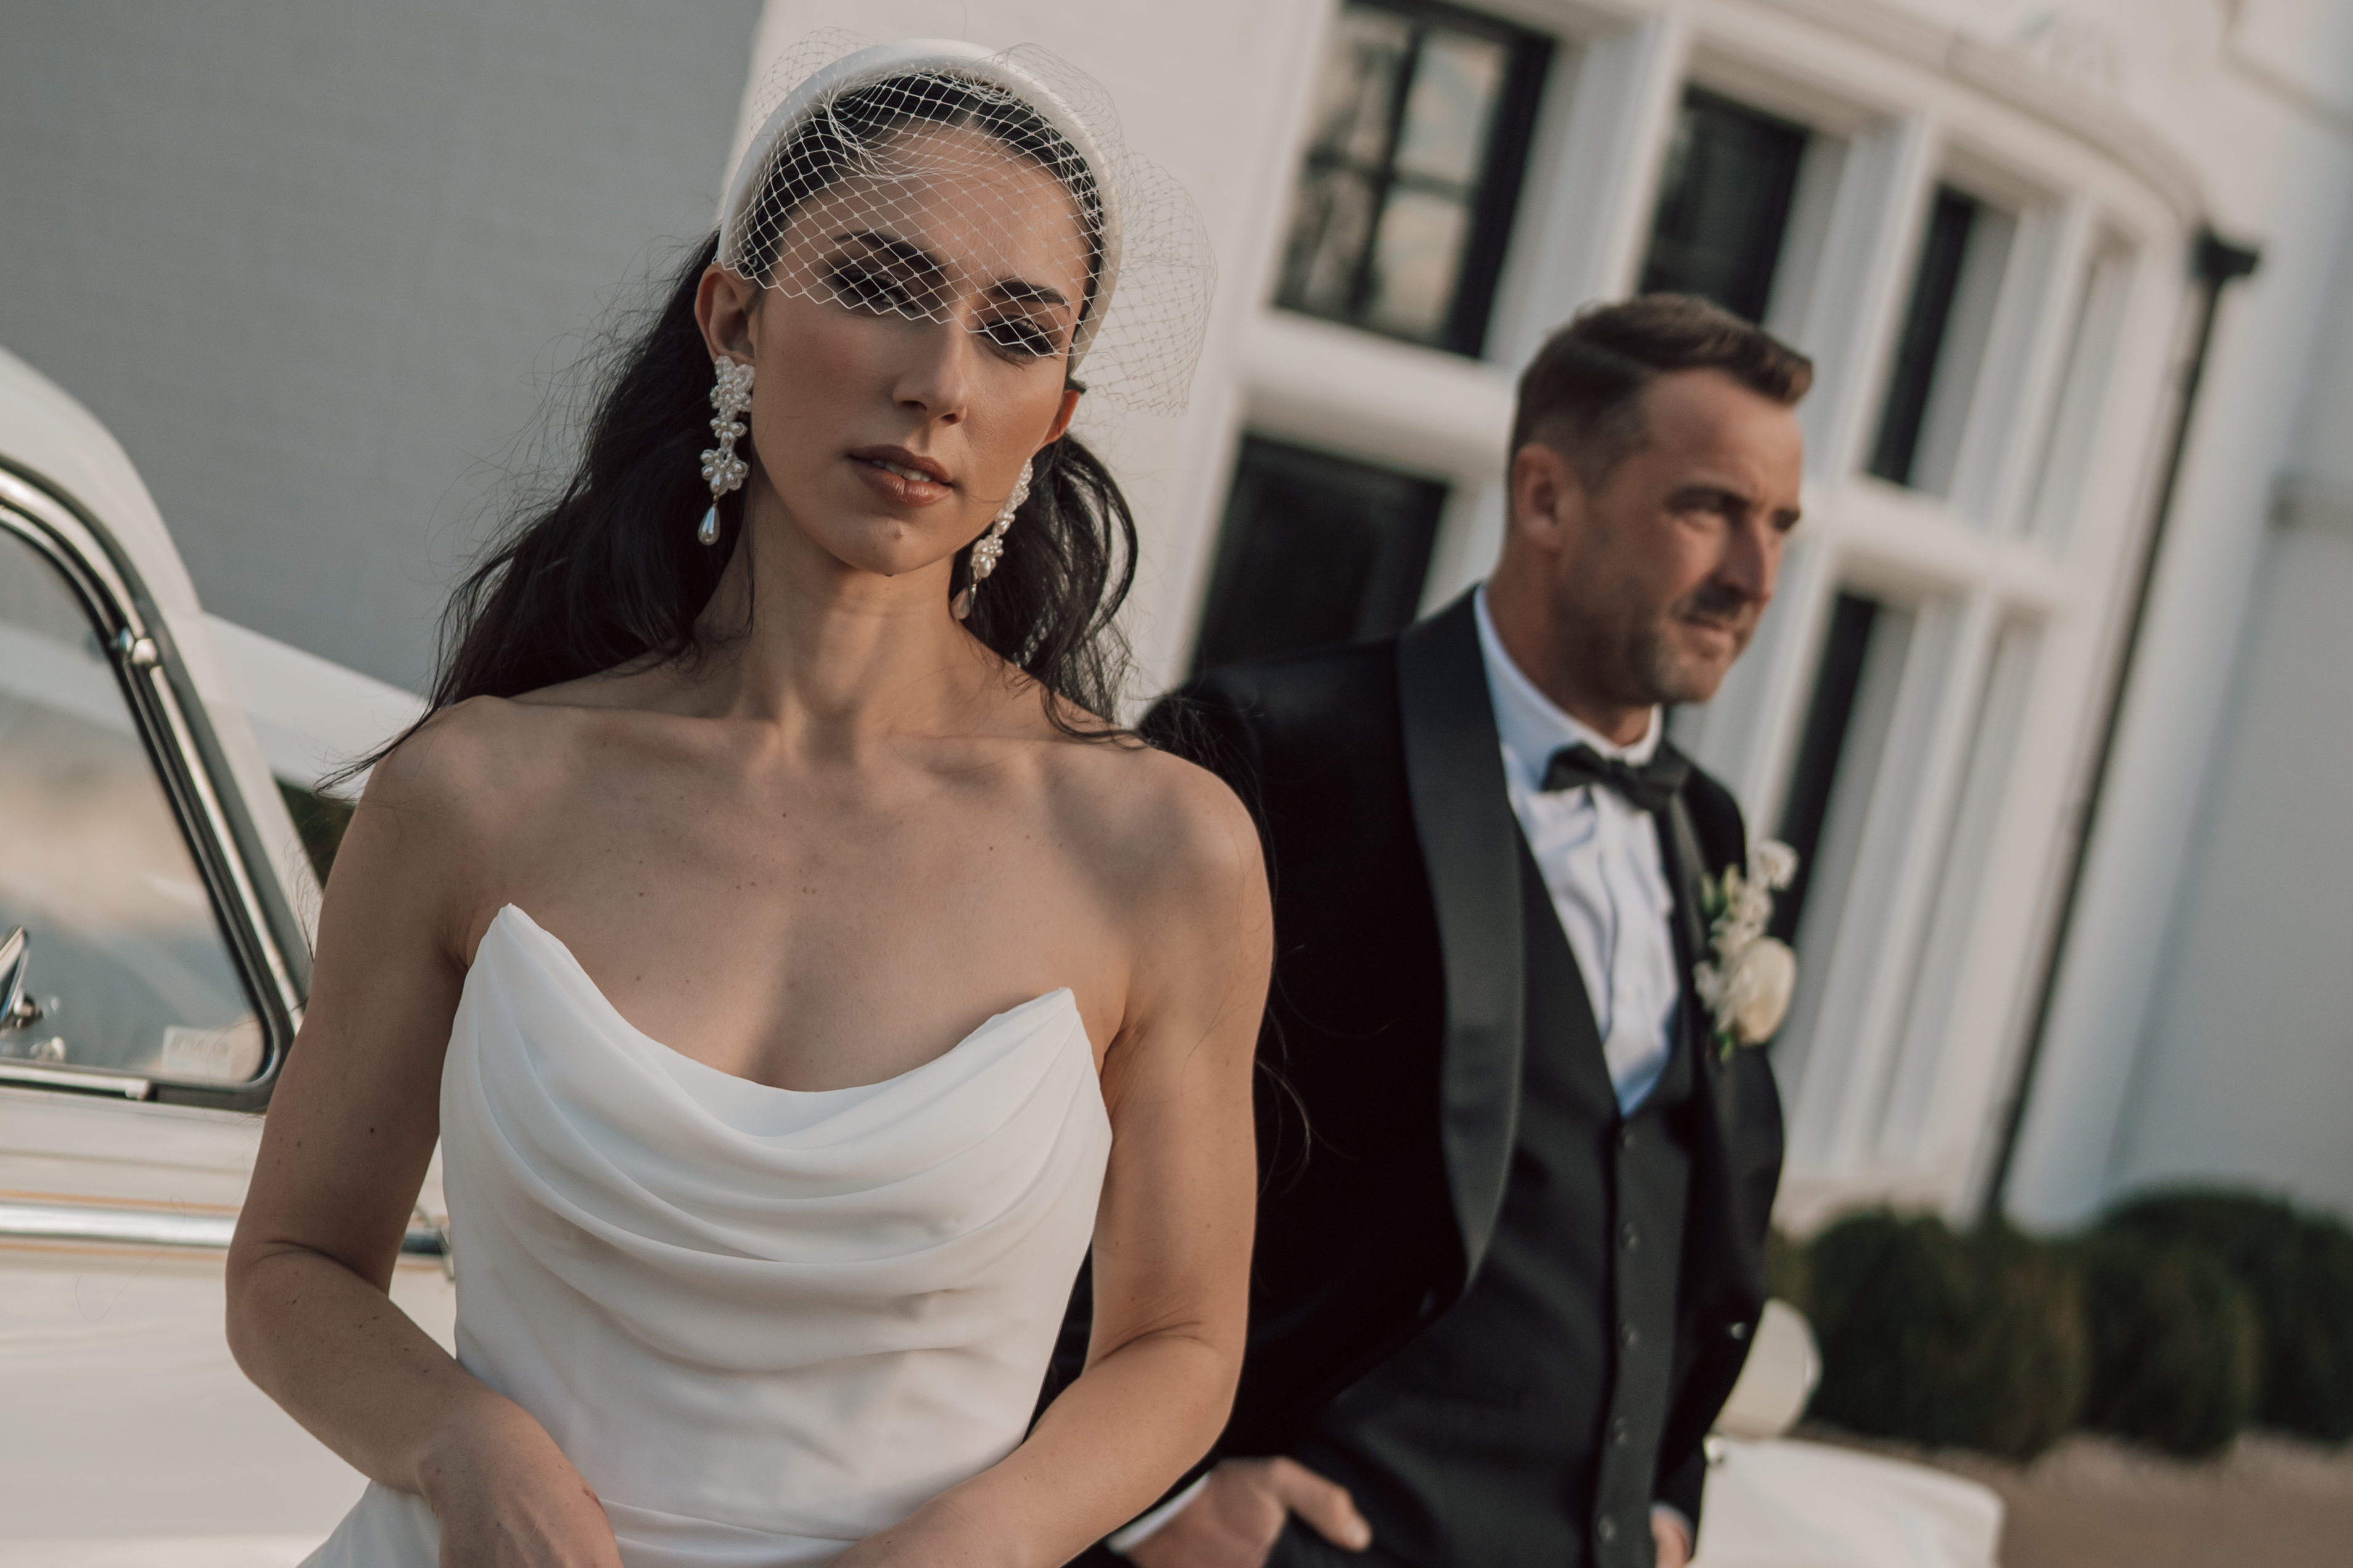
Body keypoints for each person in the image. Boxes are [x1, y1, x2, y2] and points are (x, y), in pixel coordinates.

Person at [226, 38, 1264, 1568]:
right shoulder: (476, 791)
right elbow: (293, 1265)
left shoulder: (1158, 845)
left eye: (1015, 332)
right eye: (884, 289)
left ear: (1055, 413)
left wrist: (964, 1548)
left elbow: (1179, 1341)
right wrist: (466, 1449)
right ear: (734, 317)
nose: (940, 380)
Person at [1076, 296, 1810, 1568]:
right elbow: (1067, 1136)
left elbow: (1689, 1211)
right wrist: (1157, 1503)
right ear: (1545, 499)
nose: (1755, 578)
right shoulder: (1276, 754)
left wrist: (1672, 1499)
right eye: (1708, 509)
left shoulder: (1712, 830)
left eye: (1781, 525)